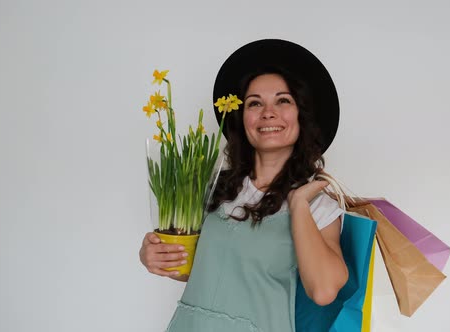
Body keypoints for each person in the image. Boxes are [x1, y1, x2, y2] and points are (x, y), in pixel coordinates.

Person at [139, 39, 346, 332]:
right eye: (255, 103)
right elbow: (202, 270)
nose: (268, 112)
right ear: (242, 117)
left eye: (283, 100)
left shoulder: (318, 207)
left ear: (302, 116)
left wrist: (298, 204)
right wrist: (154, 256)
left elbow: (323, 291)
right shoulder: (214, 188)